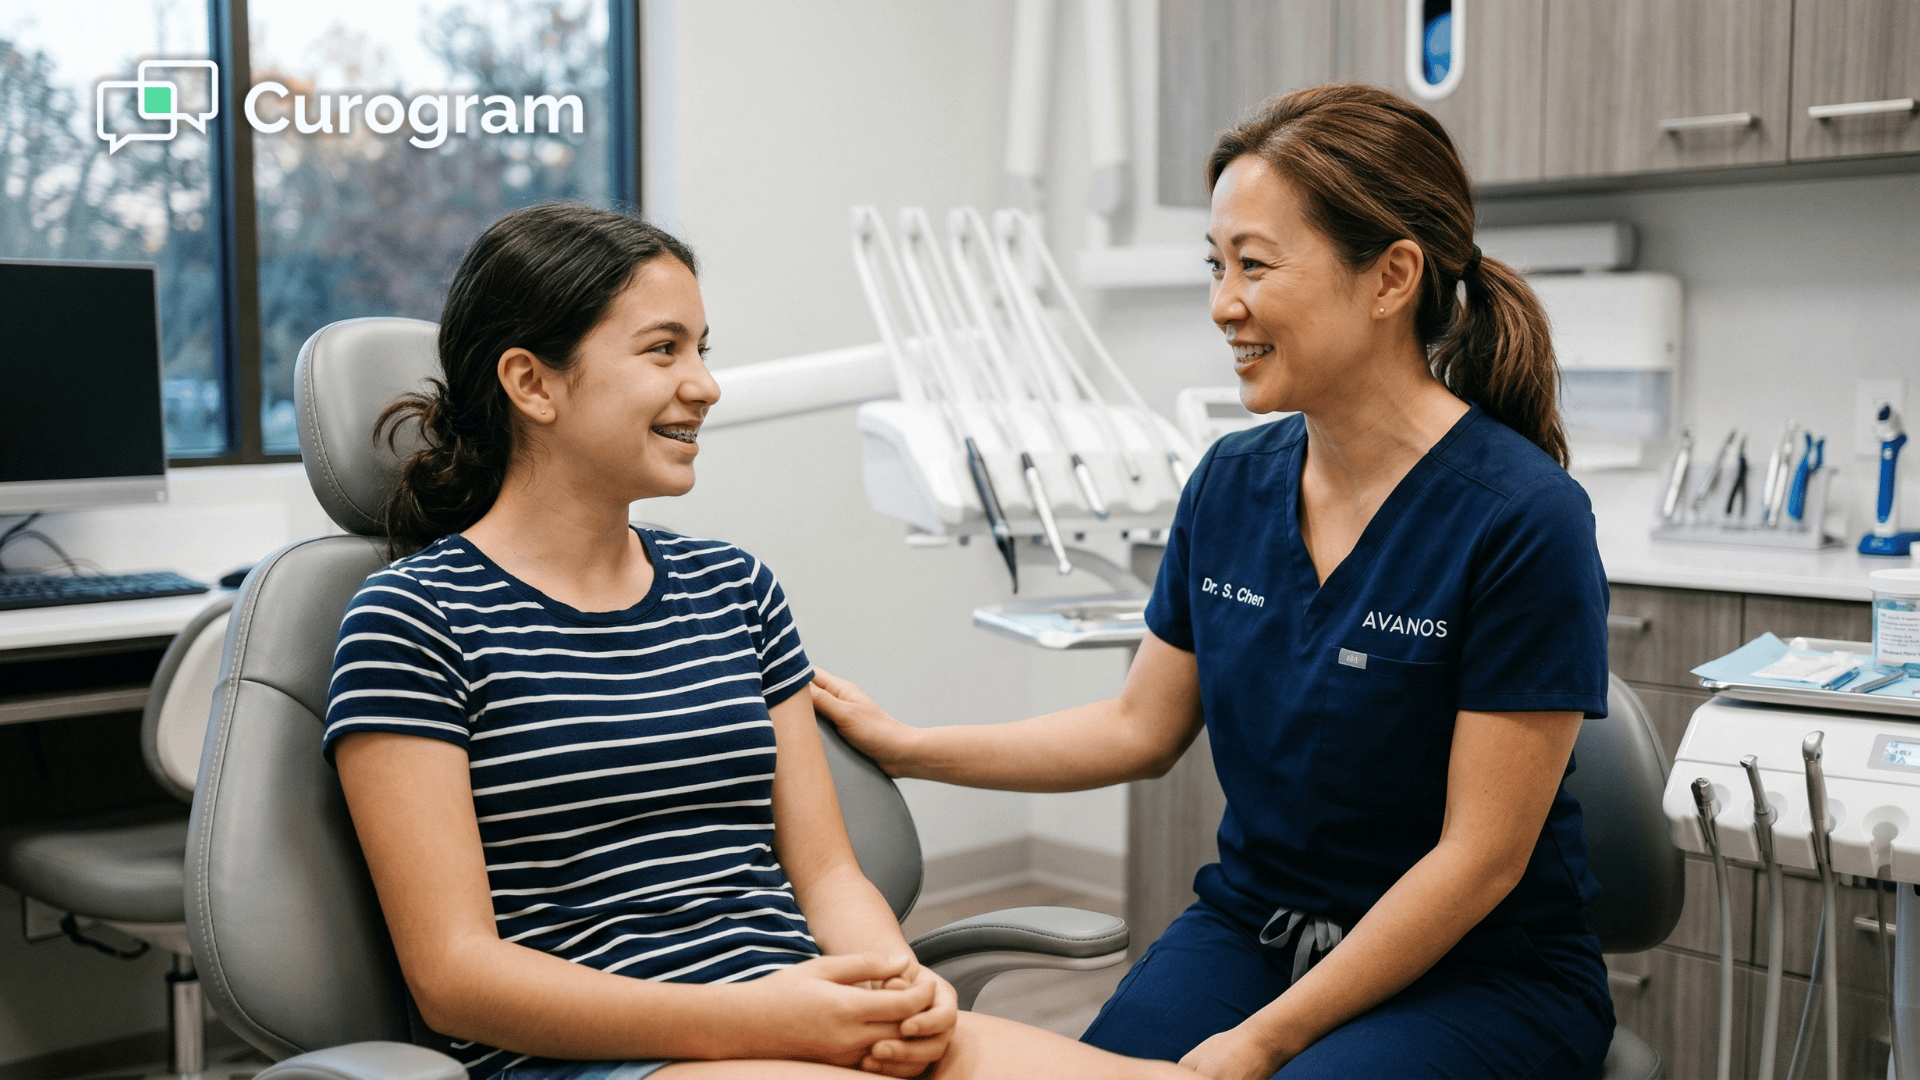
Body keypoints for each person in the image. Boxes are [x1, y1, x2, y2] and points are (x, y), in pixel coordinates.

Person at [811, 84, 1616, 1080]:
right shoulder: (1232, 483)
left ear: (1391, 276)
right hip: (1256, 928)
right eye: (1215, 265)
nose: (1222, 303)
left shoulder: (1520, 517)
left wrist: (1266, 1039)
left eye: (1255, 266)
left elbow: (1479, 861)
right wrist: (913, 746)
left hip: (1480, 971)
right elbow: (1137, 730)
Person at [323, 203, 1196, 1080]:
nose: (704, 384)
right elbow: (455, 978)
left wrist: (893, 987)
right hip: (609, 1058)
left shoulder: (733, 589)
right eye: (664, 349)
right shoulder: (413, 621)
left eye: (704, 349)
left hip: (800, 1012)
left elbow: (827, 876)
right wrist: (756, 1020)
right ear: (533, 383)